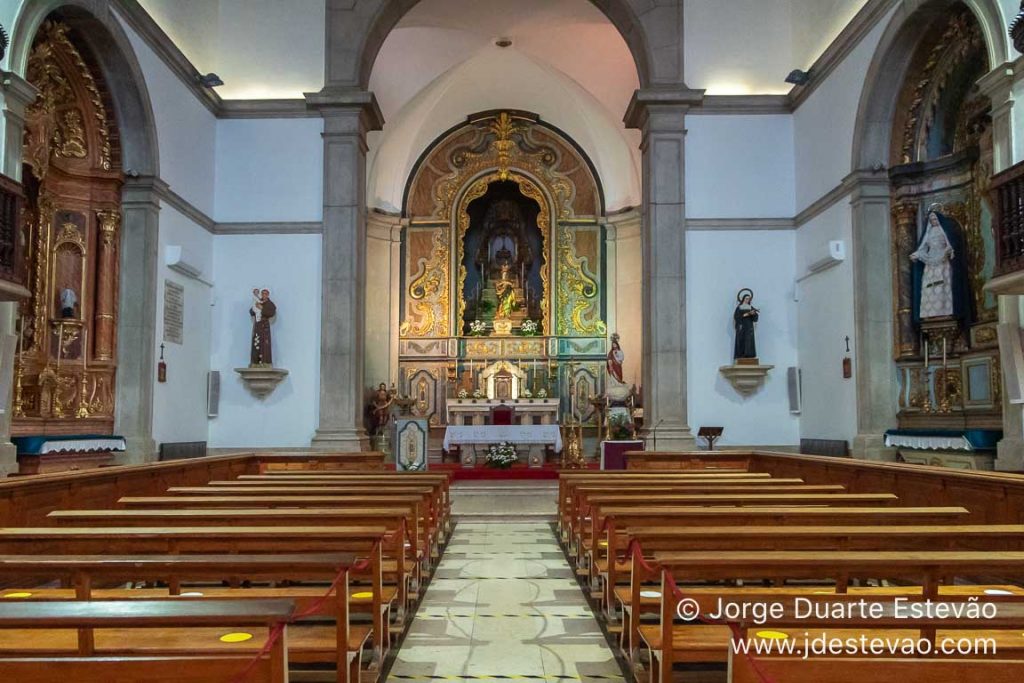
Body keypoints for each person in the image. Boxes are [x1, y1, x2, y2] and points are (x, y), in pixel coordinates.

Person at [910, 209, 970, 322]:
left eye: (935, 219)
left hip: (943, 262)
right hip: (930, 264)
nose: (933, 221)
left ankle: (945, 311)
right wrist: (917, 254)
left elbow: (950, 244)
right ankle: (929, 313)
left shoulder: (944, 231)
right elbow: (923, 248)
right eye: (931, 219)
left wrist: (948, 251)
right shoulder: (928, 233)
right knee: (929, 287)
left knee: (942, 286)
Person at [250, 288, 276, 366]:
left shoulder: (270, 304)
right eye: (262, 293)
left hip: (264, 326)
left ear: (268, 295)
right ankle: (255, 362)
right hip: (257, 325)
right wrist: (254, 306)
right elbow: (251, 312)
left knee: (265, 343)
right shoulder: (258, 301)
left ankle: (265, 361)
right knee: (256, 342)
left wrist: (262, 308)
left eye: (265, 294)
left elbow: (271, 312)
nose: (263, 295)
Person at [733, 288, 759, 360]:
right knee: (741, 340)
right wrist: (747, 314)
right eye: (746, 298)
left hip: (749, 326)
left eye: (749, 299)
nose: (747, 300)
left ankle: (749, 355)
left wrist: (753, 314)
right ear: (743, 299)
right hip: (742, 326)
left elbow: (755, 318)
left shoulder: (750, 307)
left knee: (749, 340)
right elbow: (737, 317)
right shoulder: (739, 307)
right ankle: (741, 355)